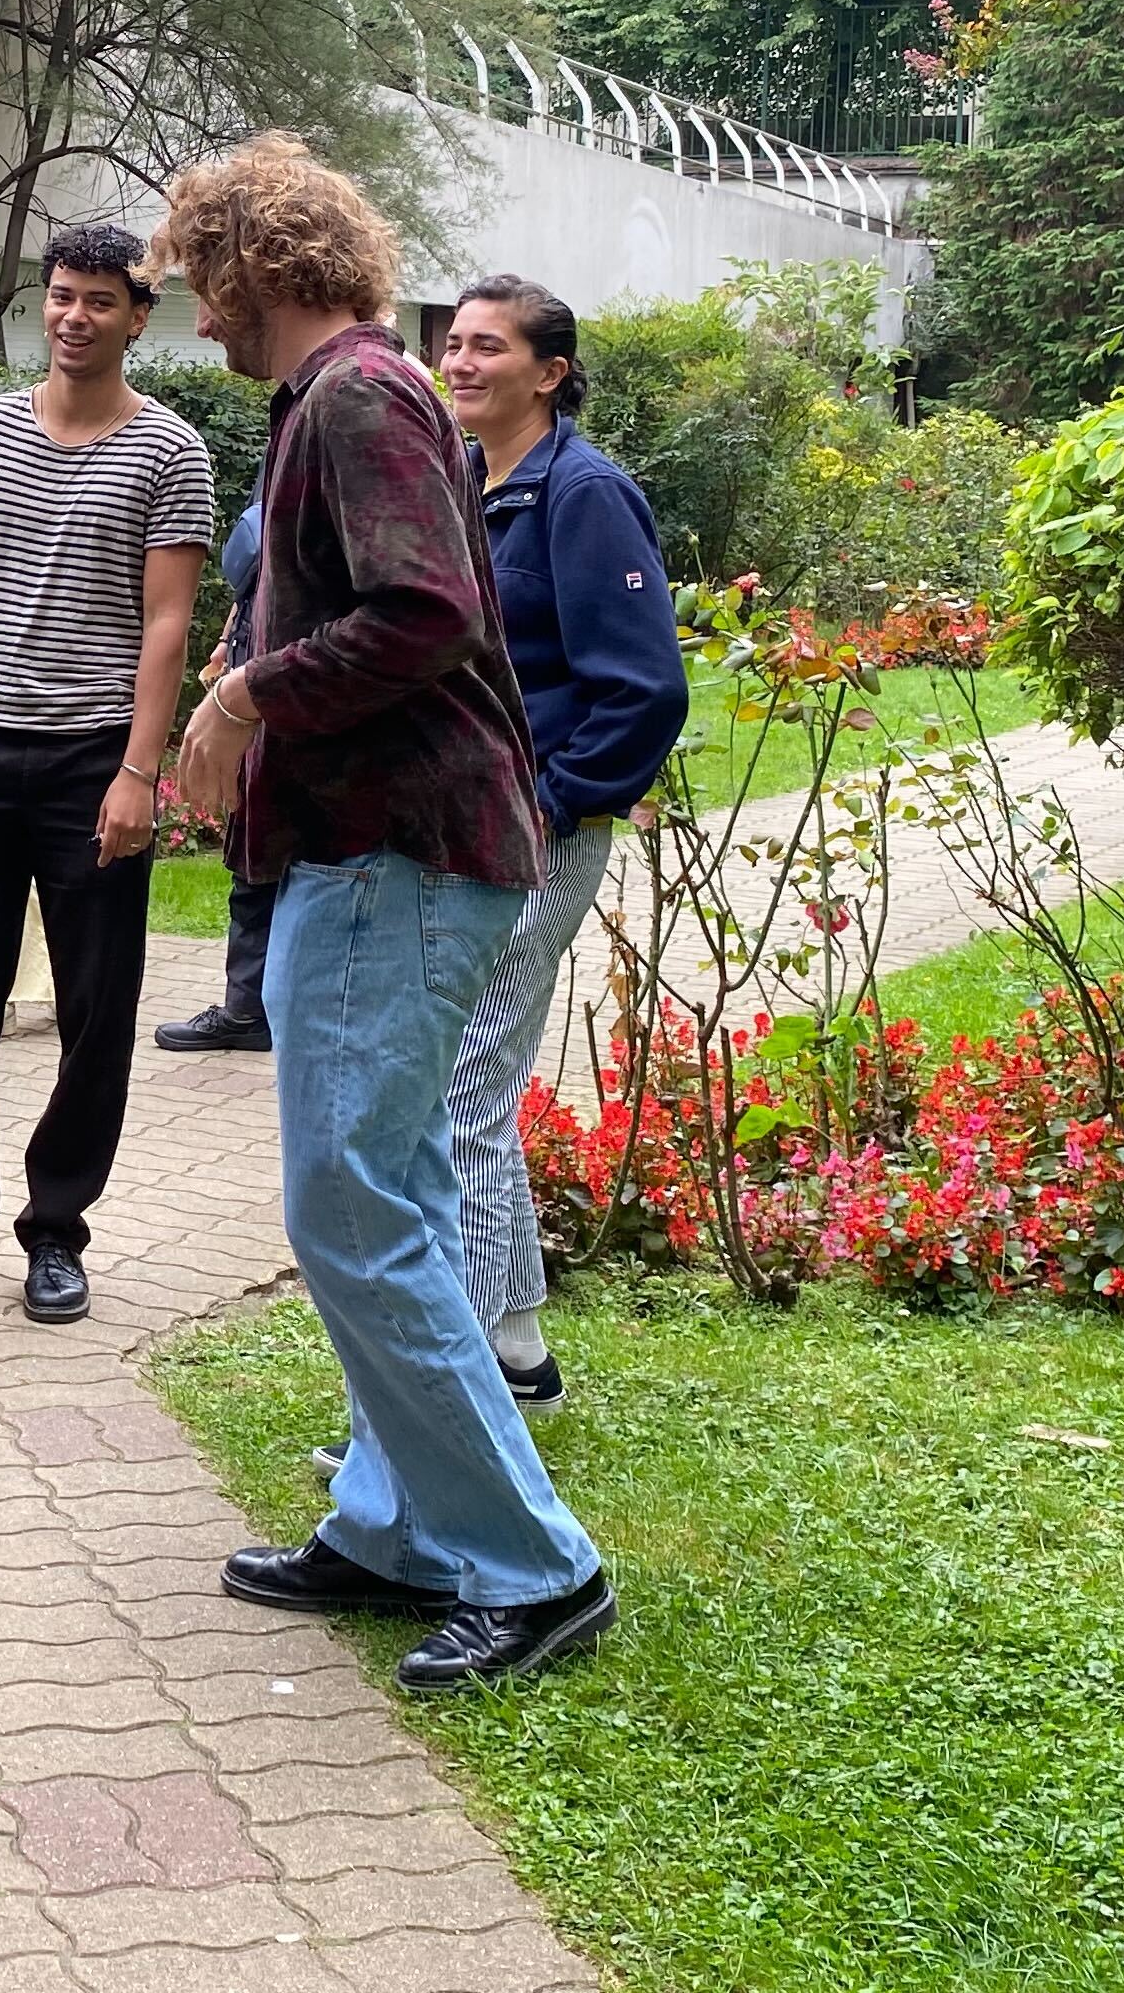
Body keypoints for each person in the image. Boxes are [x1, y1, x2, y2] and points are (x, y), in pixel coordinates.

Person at [159, 135, 617, 1693]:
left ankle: (533, 1567)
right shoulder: (348, 396)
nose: (195, 320)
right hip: (393, 853)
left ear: (250, 268)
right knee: (391, 1200)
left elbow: (422, 611)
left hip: (399, 856)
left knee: (351, 1210)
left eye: (199, 283)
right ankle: (394, 1527)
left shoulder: (357, 394)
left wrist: (242, 697)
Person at [0, 229, 212, 1326]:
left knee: (96, 1013)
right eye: (61, 297)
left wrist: (137, 771)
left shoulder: (170, 452)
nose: (75, 317)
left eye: (99, 302)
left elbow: (169, 621)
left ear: (137, 316)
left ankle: (56, 1231)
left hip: (92, 766)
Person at [437, 277, 685, 1410]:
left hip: (533, 831)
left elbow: (643, 690)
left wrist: (556, 799)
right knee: (462, 1079)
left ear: (549, 373)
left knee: (462, 1084)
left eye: (490, 346)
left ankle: (493, 1354)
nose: (460, 359)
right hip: (465, 825)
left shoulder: (582, 495)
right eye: (453, 340)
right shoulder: (468, 480)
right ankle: (516, 1348)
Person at [151, 496, 274, 1056]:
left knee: (273, 854)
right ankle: (248, 1007)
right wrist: (229, 642)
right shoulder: (285, 437)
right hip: (256, 656)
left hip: (286, 675)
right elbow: (256, 570)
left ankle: (258, 1009)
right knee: (250, 848)